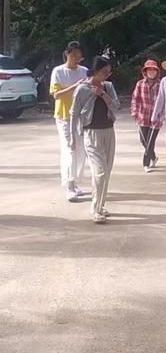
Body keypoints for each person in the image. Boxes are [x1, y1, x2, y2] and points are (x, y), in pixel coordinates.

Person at [70, 56, 120, 224]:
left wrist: (103, 94)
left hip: (108, 132)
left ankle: (100, 205)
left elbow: (116, 106)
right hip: (91, 134)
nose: (107, 75)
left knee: (107, 172)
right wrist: (72, 137)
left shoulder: (109, 87)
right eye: (104, 72)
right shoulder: (82, 89)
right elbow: (74, 113)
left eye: (109, 72)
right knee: (100, 172)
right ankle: (96, 210)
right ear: (95, 71)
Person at [49, 41, 88, 201]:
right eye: (73, 55)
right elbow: (56, 95)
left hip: (81, 116)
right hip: (64, 116)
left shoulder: (84, 71)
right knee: (70, 148)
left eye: (78, 56)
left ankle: (75, 183)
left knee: (81, 151)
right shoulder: (58, 71)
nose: (75, 59)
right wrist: (75, 87)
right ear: (67, 54)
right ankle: (69, 185)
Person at [131, 60, 162, 173]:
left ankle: (146, 163)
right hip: (142, 116)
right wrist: (134, 112)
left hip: (156, 117)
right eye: (149, 69)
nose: (151, 72)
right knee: (143, 141)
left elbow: (164, 100)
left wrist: (162, 114)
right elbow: (135, 99)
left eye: (153, 69)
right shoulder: (140, 84)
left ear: (157, 71)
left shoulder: (160, 85)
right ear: (145, 71)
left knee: (150, 141)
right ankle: (153, 157)